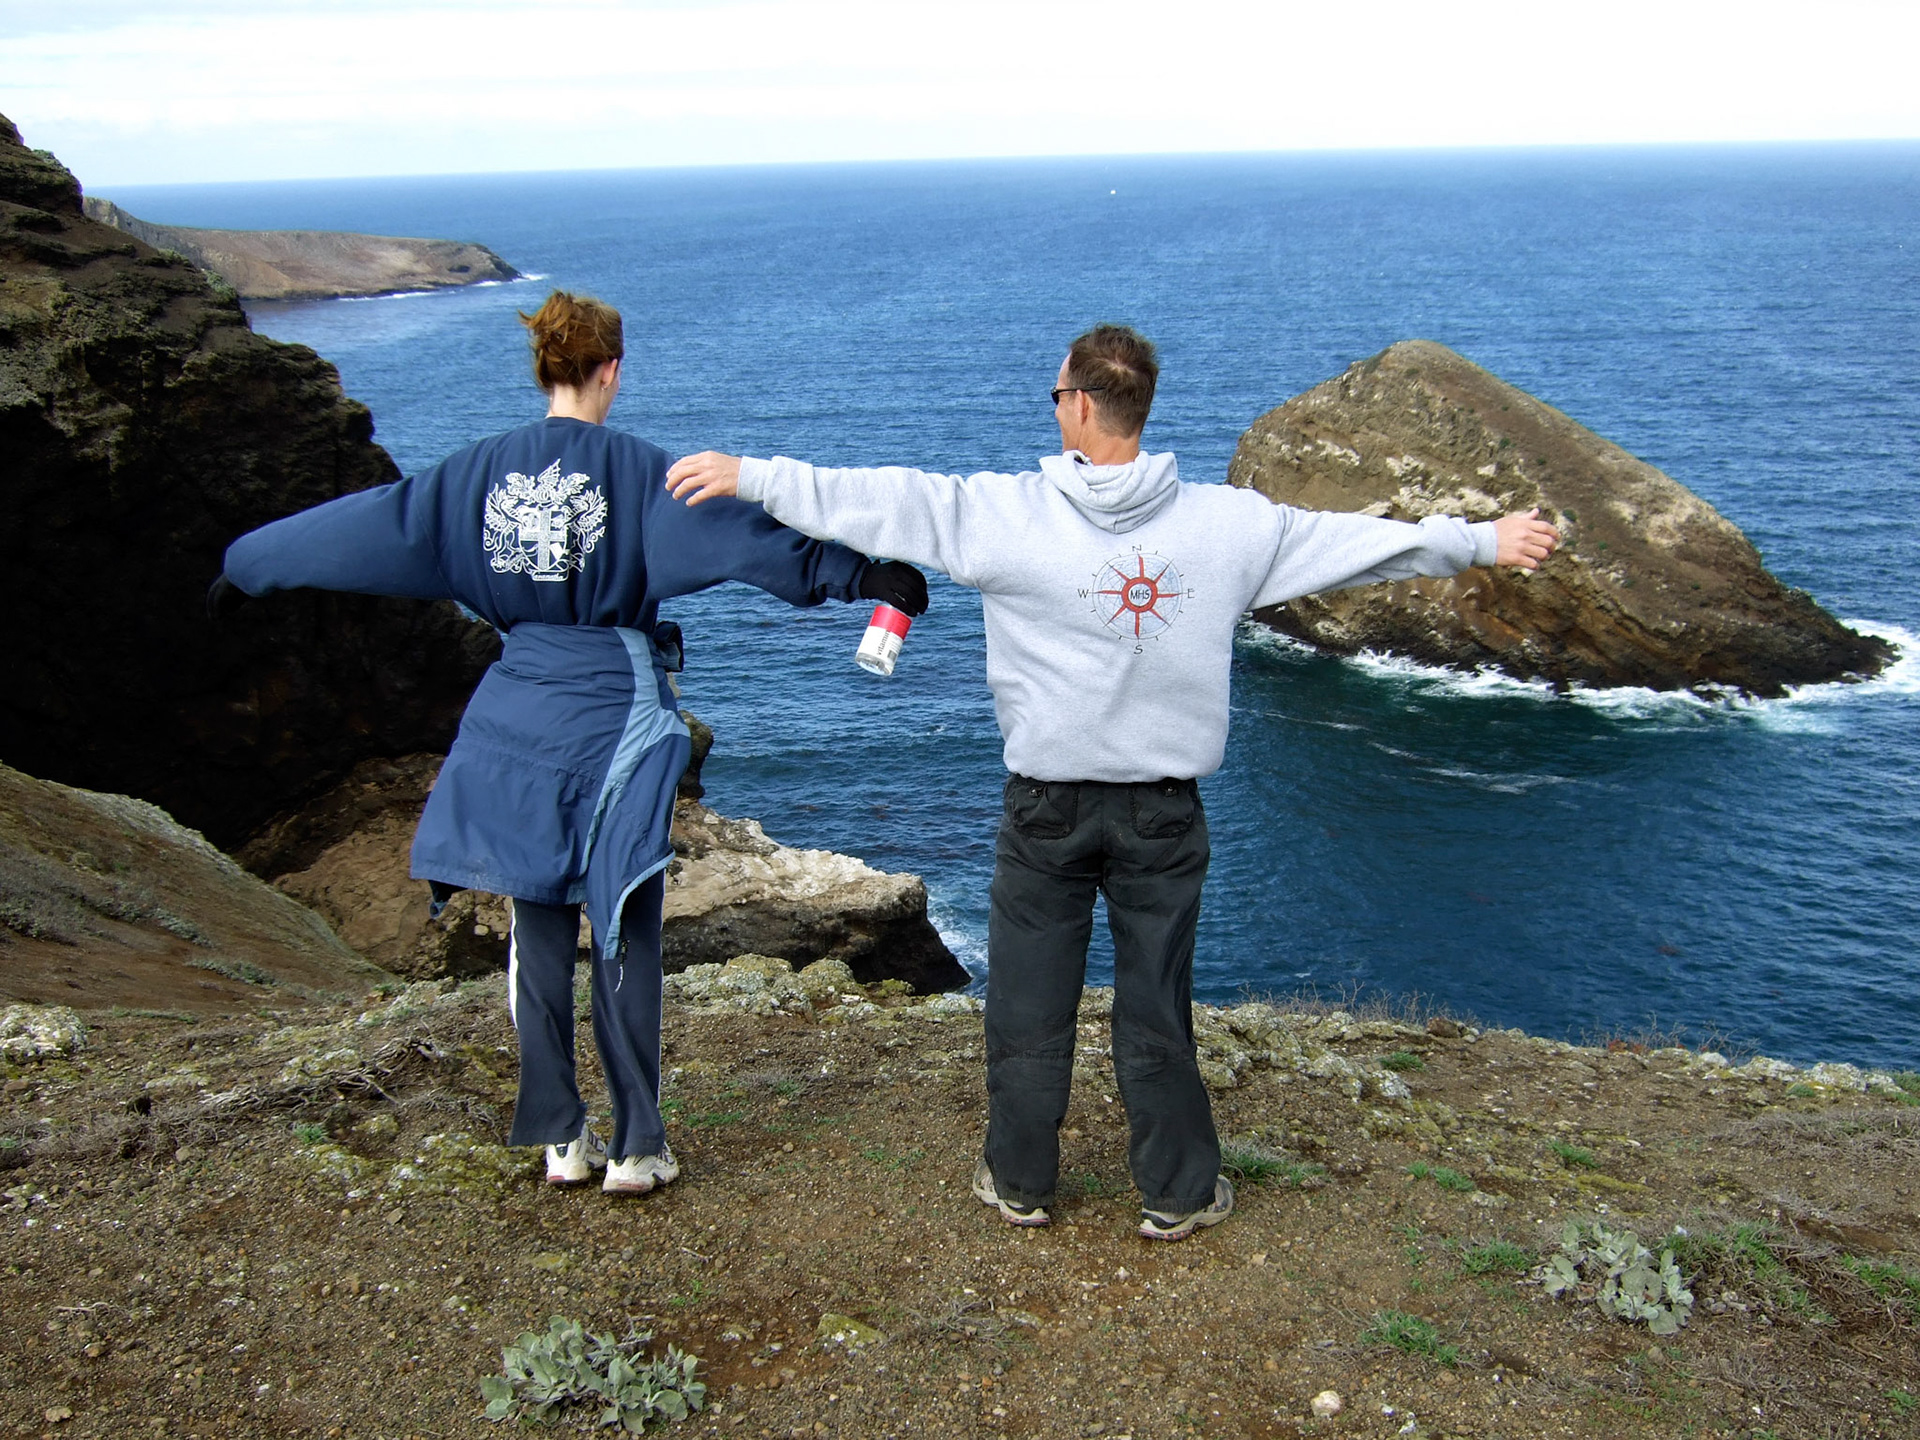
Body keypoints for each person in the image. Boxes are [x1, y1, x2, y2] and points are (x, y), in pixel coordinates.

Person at [665, 324, 1559, 1239]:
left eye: (1057, 397)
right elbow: (1365, 545)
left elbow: (883, 500)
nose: (1055, 411)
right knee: (1156, 1005)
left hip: (1045, 808)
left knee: (1024, 1001)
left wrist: (756, 473)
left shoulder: (999, 515)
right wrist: (1484, 541)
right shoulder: (1234, 526)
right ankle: (1175, 1193)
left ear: (1081, 404)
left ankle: (1019, 1183)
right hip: (1164, 814)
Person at [210, 290, 927, 1196]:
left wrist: (247, 564)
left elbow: (371, 526)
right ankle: (635, 1148)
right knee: (623, 920)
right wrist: (862, 572)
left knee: (536, 924)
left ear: (543, 367)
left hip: (514, 709)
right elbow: (747, 543)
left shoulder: (472, 478)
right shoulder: (638, 475)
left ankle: (560, 1140)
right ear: (611, 372)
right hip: (612, 707)